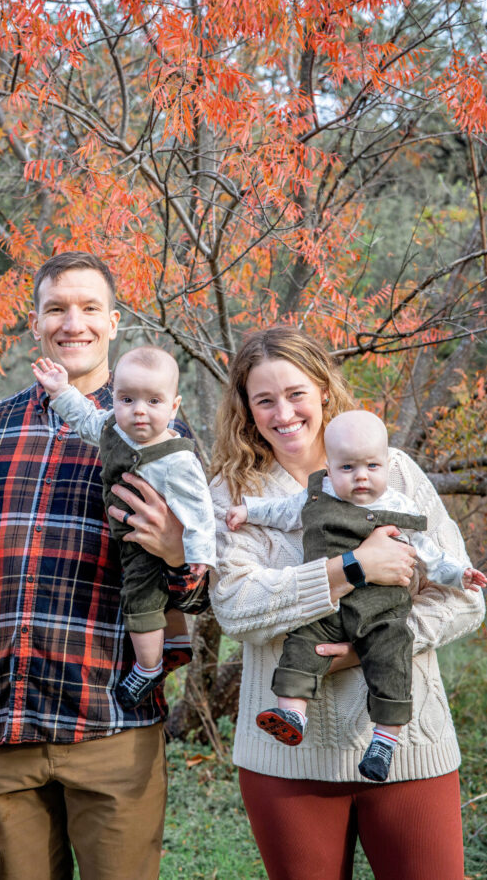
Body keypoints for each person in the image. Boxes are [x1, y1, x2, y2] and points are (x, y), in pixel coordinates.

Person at [0, 252, 209, 880]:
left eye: (90, 307)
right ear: (35, 323)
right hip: (5, 723)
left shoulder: (164, 440)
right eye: (57, 308)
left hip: (110, 725)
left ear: (114, 322)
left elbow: (200, 595)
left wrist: (178, 552)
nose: (74, 323)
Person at [209, 327, 485, 880]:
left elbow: (464, 597)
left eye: (295, 394)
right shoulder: (235, 494)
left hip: (410, 751)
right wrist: (350, 568)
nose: (282, 412)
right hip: (287, 765)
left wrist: (370, 646)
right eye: (264, 400)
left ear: (324, 391)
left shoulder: (397, 471)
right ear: (246, 409)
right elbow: (236, 606)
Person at [226, 409, 486, 782]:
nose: (361, 476)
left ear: (386, 462)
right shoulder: (318, 495)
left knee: (392, 660)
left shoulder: (398, 505)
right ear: (329, 467)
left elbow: (430, 555)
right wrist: (248, 510)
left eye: (372, 466)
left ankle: (384, 740)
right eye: (348, 468)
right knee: (301, 646)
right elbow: (281, 512)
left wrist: (460, 575)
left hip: (381, 612)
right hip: (326, 609)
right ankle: (291, 713)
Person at [32, 346, 215, 709]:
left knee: (141, 601)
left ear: (174, 407)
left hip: (145, 544)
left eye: (153, 401)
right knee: (160, 594)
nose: (139, 411)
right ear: (114, 396)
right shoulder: (112, 428)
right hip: (127, 533)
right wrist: (60, 391)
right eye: (128, 399)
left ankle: (147, 669)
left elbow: (200, 513)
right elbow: (84, 417)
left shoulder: (178, 459)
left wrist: (198, 556)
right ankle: (176, 643)